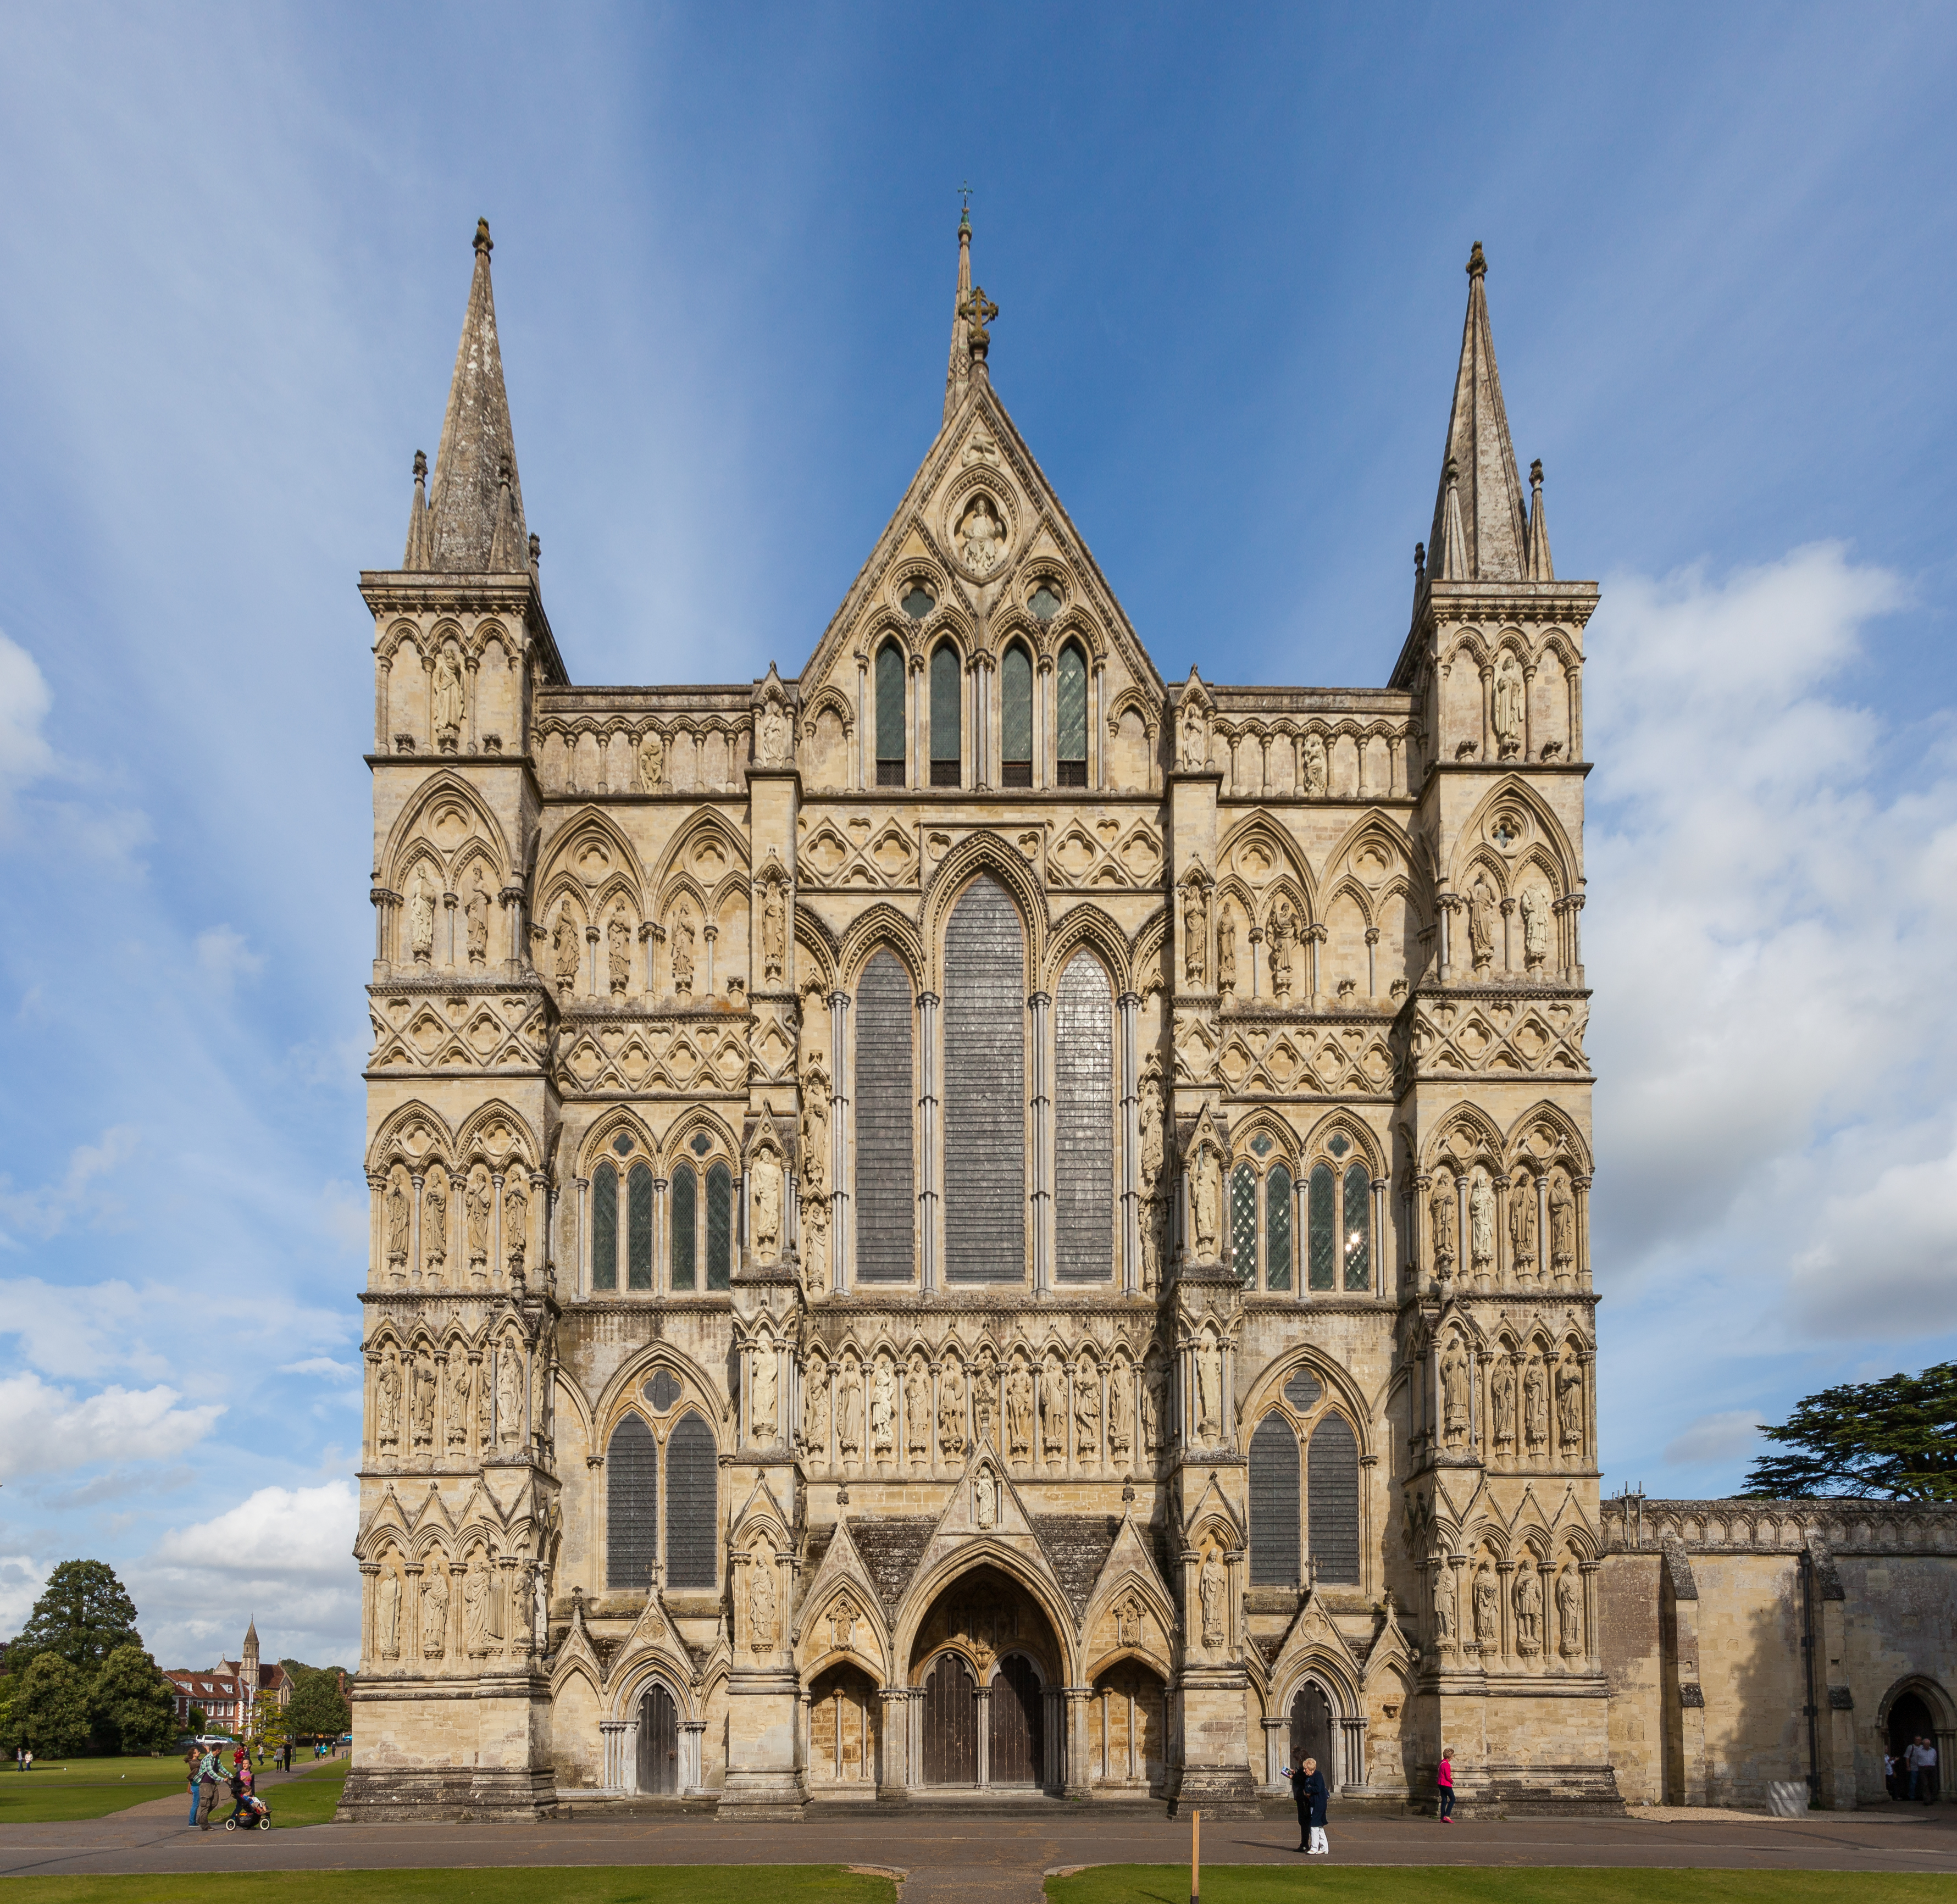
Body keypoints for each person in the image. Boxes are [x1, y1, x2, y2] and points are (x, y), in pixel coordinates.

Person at [1287, 1755, 1330, 1856]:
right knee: (1319, 1826)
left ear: (1310, 1768)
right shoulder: (1309, 1776)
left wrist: (1307, 1790)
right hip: (1313, 1803)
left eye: (1305, 1769)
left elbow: (1318, 1788)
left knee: (1314, 1826)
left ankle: (1315, 1848)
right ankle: (1324, 1847)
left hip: (1319, 1803)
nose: (1304, 1771)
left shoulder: (1317, 1775)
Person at [184, 1747, 202, 1827]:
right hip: (195, 1785)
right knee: (195, 1804)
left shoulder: (197, 1761)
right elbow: (204, 1763)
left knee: (196, 1804)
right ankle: (192, 1822)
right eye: (198, 1751)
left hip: (197, 1784)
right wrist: (208, 1752)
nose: (200, 1752)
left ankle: (193, 1821)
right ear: (194, 1754)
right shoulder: (193, 1763)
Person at [1438, 1746, 1456, 1822]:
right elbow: (1447, 1777)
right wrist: (1452, 1781)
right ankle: (1447, 1815)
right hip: (1446, 1784)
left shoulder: (1441, 1763)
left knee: (1444, 1800)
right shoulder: (1447, 1765)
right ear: (1449, 1756)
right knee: (1453, 1799)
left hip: (1440, 1783)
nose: (1452, 1758)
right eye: (1452, 1756)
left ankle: (1442, 1818)